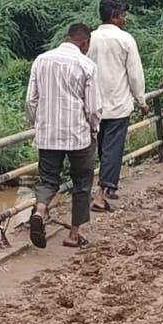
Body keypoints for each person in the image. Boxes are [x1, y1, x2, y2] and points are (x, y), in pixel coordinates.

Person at [25, 23, 100, 249]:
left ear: (67, 37)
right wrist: (94, 128)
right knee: (82, 183)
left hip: (48, 133)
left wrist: (37, 124)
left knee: (48, 179)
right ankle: (74, 234)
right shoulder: (86, 65)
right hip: (78, 135)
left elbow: (31, 100)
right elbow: (93, 108)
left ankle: (40, 211)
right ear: (85, 42)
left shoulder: (41, 60)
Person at [87, 0, 147, 213]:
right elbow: (135, 75)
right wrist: (141, 100)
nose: (125, 18)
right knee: (113, 150)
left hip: (93, 105)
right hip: (118, 104)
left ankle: (107, 187)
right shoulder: (125, 39)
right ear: (114, 16)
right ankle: (101, 194)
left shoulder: (89, 39)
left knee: (102, 148)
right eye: (123, 15)